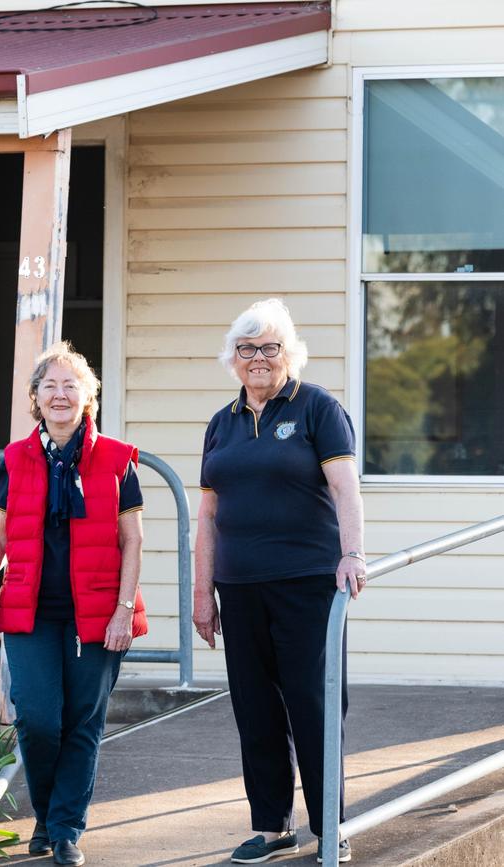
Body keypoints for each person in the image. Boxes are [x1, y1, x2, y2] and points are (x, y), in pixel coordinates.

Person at [0, 341, 147, 866]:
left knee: (83, 722)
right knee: (39, 720)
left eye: (72, 385)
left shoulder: (116, 459)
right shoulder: (16, 459)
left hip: (98, 614)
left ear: (88, 397)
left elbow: (132, 539)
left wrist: (123, 608)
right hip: (29, 609)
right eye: (50, 386)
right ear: (36, 399)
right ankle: (47, 813)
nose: (60, 394)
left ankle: (64, 829)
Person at [193, 299, 365, 865]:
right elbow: (209, 517)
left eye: (270, 348)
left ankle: (329, 823)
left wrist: (352, 554)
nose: (258, 358)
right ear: (233, 359)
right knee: (255, 708)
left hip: (308, 582)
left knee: (314, 704)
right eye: (247, 349)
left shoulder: (318, 408)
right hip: (239, 588)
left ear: (288, 354)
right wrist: (202, 592)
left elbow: (344, 490)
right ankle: (271, 825)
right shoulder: (222, 424)